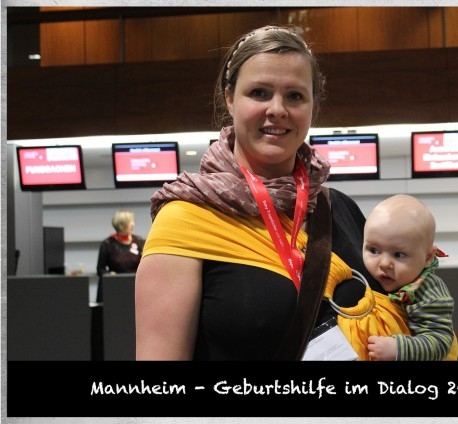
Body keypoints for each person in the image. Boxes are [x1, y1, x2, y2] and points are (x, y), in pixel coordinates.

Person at [135, 25, 385, 360]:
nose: (277, 109)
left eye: (294, 96)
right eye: (259, 93)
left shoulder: (338, 208)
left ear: (313, 106)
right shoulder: (185, 220)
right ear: (229, 98)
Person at [324, 194, 457, 361]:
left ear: (428, 257)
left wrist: (398, 348)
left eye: (399, 254)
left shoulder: (428, 292)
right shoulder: (370, 273)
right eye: (374, 250)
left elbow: (440, 342)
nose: (384, 263)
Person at [96, 210, 145, 302]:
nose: (133, 224)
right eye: (130, 222)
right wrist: (110, 275)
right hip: (116, 287)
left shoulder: (139, 241)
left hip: (135, 286)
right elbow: (100, 269)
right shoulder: (107, 244)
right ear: (122, 225)